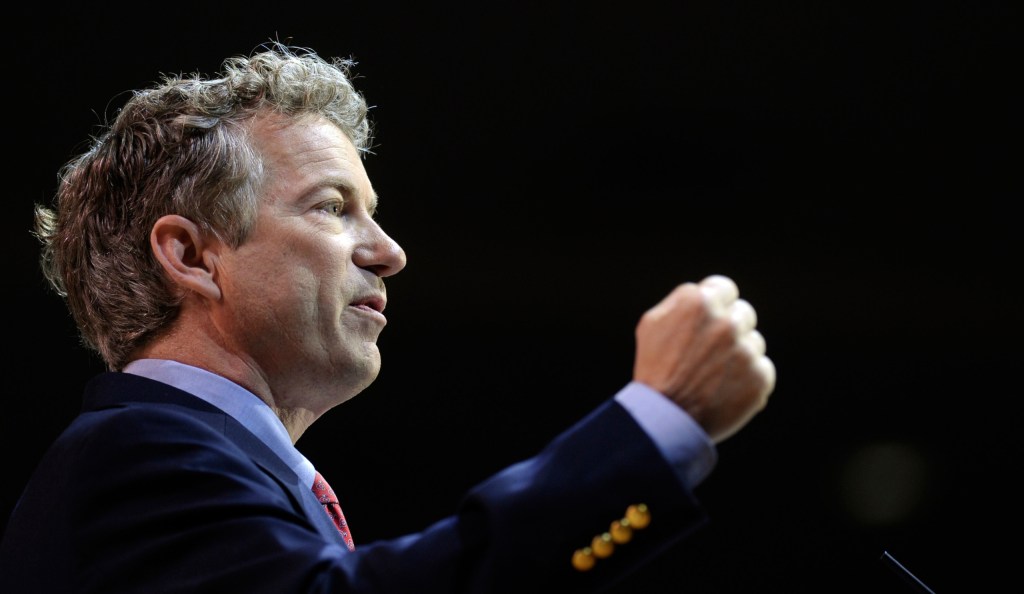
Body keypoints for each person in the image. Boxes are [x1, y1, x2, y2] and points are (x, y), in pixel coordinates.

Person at [0, 42, 776, 593]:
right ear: (194, 257)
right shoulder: (137, 453)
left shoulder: (205, 464)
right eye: (334, 208)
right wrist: (655, 422)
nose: (391, 252)